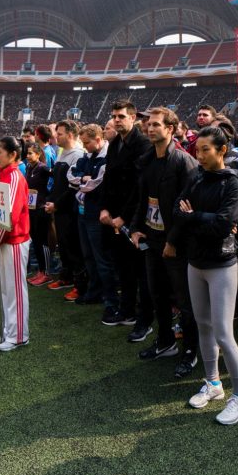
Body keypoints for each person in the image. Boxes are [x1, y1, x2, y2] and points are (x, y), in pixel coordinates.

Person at [175, 126, 238, 425]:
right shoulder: (195, 177)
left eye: (206, 149)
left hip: (221, 264)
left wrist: (194, 217)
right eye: (198, 149)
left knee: (222, 331)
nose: (199, 154)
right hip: (196, 262)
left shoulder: (232, 184)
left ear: (222, 150)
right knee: (202, 324)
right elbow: (176, 211)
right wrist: (195, 219)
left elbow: (223, 224)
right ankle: (214, 383)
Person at [130, 107, 200, 378]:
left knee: (184, 301)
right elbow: (143, 199)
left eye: (157, 125)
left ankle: (191, 351)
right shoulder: (147, 159)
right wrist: (136, 228)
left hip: (177, 244)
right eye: (148, 124)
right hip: (152, 239)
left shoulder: (184, 162)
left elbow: (187, 208)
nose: (150, 128)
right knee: (156, 294)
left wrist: (173, 241)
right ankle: (166, 341)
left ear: (170, 129)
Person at [100, 100, 154, 340]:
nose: (117, 120)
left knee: (142, 272)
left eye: (121, 116)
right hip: (114, 218)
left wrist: (125, 217)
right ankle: (127, 310)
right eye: (114, 116)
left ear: (133, 118)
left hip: (135, 219)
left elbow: (139, 186)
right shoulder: (114, 144)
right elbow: (108, 179)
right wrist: (105, 209)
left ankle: (145, 320)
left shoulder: (142, 144)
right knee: (124, 268)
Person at [0, 136, 32, 352]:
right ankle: (8, 332)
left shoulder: (14, 176)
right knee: (6, 289)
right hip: (5, 240)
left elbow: (10, 217)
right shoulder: (4, 175)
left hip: (14, 241)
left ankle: (19, 335)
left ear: (13, 155)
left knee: (15, 290)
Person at [70, 124, 118, 315]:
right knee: (89, 256)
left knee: (102, 259)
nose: (85, 146)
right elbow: (71, 176)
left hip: (97, 214)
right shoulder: (87, 156)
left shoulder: (107, 157)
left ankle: (111, 300)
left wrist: (83, 181)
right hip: (84, 212)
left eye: (87, 142)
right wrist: (84, 179)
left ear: (98, 139)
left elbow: (96, 183)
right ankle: (95, 291)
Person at [45, 120, 86, 298]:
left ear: (70, 135)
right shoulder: (63, 153)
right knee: (64, 246)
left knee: (74, 247)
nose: (56, 136)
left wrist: (58, 204)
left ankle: (81, 285)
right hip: (60, 209)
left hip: (71, 210)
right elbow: (58, 184)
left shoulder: (78, 155)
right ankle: (67, 276)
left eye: (59, 133)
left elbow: (73, 188)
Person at [24, 143, 53, 286]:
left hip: (41, 209)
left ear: (38, 154)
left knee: (42, 242)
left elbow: (56, 177)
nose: (27, 156)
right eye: (27, 153)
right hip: (31, 209)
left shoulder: (42, 168)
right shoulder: (30, 167)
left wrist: (50, 200)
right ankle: (40, 271)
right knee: (35, 240)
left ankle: (47, 273)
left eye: (30, 153)